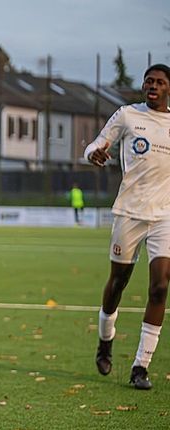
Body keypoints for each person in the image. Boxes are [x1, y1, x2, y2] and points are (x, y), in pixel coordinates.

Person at [88, 63, 170, 390]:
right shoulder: (127, 115)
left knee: (160, 286)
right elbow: (95, 145)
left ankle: (141, 367)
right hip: (129, 212)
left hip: (165, 215)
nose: (152, 86)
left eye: (160, 82)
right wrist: (93, 152)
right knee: (118, 282)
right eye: (149, 81)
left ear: (168, 88)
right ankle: (105, 341)